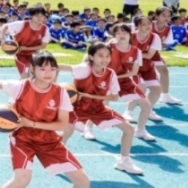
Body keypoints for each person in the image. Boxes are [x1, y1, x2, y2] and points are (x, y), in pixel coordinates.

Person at [0, 51, 104, 188]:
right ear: (32, 69)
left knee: (82, 180)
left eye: (52, 68)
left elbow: (62, 124)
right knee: (22, 179)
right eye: (43, 68)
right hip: (22, 138)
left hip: (48, 140)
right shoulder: (21, 87)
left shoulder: (60, 93)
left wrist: (31, 123)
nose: (48, 72)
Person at [57, 42, 143, 175]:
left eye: (108, 56)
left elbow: (114, 97)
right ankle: (58, 159)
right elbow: (60, 67)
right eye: (100, 55)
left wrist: (89, 96)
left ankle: (124, 162)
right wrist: (44, 70)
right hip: (77, 108)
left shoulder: (110, 73)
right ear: (91, 57)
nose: (105, 59)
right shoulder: (84, 69)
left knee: (129, 129)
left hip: (98, 108)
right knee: (67, 131)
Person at [108, 22, 158, 142]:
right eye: (118, 33)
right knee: (100, 105)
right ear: (114, 36)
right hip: (107, 80)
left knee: (146, 105)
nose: (121, 35)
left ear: (130, 35)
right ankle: (87, 128)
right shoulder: (109, 46)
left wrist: (117, 77)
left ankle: (140, 130)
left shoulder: (136, 51)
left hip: (124, 80)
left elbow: (134, 72)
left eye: (124, 32)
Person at [5, 6, 50, 76]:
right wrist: (2, 39)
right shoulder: (22, 24)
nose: (40, 18)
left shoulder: (45, 29)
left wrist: (27, 48)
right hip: (20, 55)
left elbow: (43, 46)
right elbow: (5, 26)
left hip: (35, 56)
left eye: (42, 16)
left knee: (40, 75)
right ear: (31, 16)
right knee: (26, 74)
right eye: (37, 16)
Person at [151, 6, 182, 105]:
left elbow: (165, 44)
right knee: (141, 76)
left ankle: (166, 96)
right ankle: (138, 98)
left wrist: (157, 45)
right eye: (163, 15)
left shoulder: (168, 28)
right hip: (141, 53)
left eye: (168, 16)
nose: (166, 18)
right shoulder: (148, 25)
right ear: (156, 16)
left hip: (153, 53)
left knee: (164, 71)